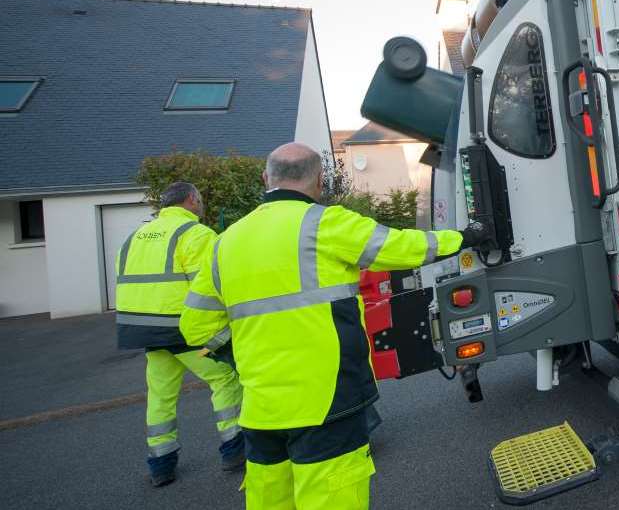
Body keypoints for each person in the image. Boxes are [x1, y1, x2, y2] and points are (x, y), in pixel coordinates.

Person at [180, 142, 488, 509]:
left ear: (265, 179)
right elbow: (404, 247)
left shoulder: (224, 243)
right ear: (320, 183)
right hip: (328, 400)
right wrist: (465, 237)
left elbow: (194, 324)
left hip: (261, 409)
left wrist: (233, 354)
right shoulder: (326, 223)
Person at [115, 181, 244, 487]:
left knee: (160, 394)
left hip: (144, 333)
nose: (201, 205)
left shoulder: (134, 237)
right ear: (190, 200)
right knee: (223, 377)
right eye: (199, 200)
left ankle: (161, 464)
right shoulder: (195, 234)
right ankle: (235, 450)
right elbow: (211, 288)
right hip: (185, 334)